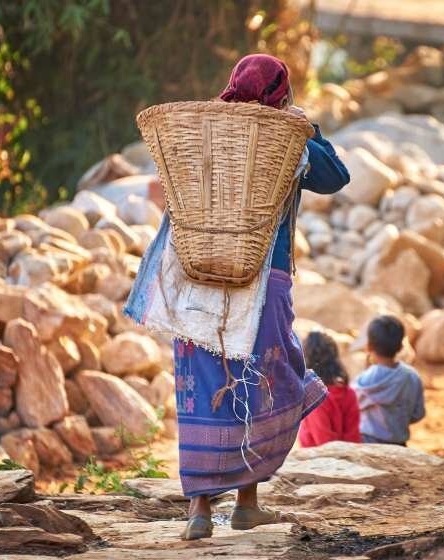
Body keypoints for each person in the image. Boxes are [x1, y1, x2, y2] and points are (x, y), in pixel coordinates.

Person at [126, 53, 349, 541]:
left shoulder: (202, 127)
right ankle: (246, 501)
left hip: (189, 279)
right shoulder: (285, 140)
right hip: (262, 279)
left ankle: (201, 512)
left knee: (201, 390)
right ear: (281, 93)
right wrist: (309, 128)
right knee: (266, 381)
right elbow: (336, 177)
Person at [352, 315, 426, 446]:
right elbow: (418, 414)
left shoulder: (362, 381)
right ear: (401, 346)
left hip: (366, 444)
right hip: (399, 445)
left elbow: (352, 411)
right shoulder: (412, 376)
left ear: (369, 346)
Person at [298, 331, 361, 447]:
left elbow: (325, 445)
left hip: (318, 462)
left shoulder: (315, 398)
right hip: (351, 458)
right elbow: (354, 438)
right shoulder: (349, 393)